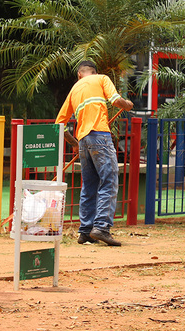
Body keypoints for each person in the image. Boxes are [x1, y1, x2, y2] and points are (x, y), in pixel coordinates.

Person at [55, 60, 133, 246]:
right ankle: (101, 227)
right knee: (109, 180)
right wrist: (128, 104)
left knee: (89, 186)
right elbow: (116, 101)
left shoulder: (74, 89)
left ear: (79, 75)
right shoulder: (102, 78)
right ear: (94, 72)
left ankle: (85, 231)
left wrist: (74, 144)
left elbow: (59, 125)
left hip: (83, 140)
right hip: (100, 135)